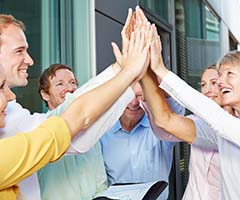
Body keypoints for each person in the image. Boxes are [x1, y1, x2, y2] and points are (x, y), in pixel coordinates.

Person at [0, 20, 152, 199]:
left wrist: (124, 71)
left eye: (73, 83)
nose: (30, 60)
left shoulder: (14, 113)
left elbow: (72, 126)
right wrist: (128, 72)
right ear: (44, 94)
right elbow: (72, 119)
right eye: (19, 51)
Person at [140, 20, 240, 199]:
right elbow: (166, 120)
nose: (219, 81)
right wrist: (144, 70)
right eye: (219, 75)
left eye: (229, 74)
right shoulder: (220, 129)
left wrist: (160, 69)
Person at [144, 64, 224, 200]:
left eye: (214, 83)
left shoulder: (236, 128)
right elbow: (165, 131)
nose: (207, 90)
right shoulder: (197, 121)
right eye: (203, 85)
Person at [100, 82, 184, 200]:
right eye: (128, 96)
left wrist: (157, 78)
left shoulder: (159, 128)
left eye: (140, 96)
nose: (134, 103)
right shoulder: (102, 134)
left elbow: (177, 115)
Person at [37, 64, 107, 200]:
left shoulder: (91, 134)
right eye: (60, 84)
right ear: (45, 95)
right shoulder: (39, 130)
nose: (69, 88)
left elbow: (101, 183)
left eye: (72, 82)